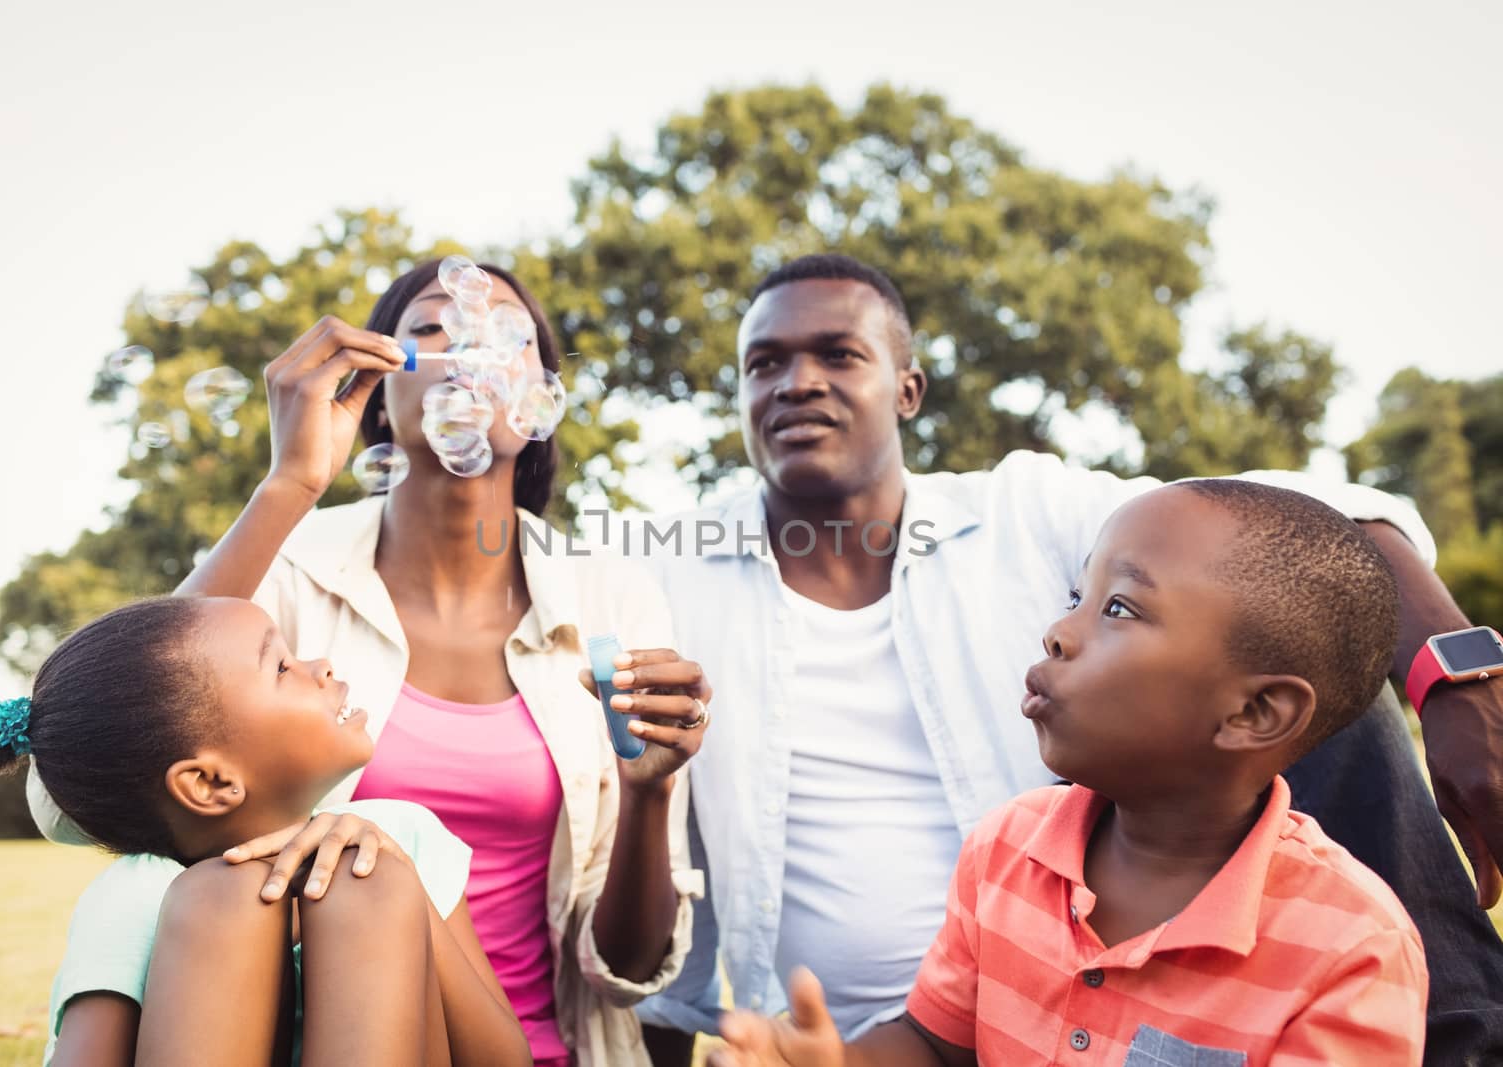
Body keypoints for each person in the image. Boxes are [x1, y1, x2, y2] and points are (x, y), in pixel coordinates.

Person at [633, 254, 1503, 1065]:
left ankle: (1468, 1034)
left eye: (837, 353)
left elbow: (1298, 528)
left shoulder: (1022, 509)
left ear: (908, 388)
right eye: (764, 363)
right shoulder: (670, 568)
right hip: (904, 1028)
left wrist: (1459, 680)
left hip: (1092, 975)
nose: (797, 382)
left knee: (1278, 639)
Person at [30, 261, 713, 1066]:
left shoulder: (611, 596)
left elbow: (629, 971)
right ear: (379, 390)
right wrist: (289, 484)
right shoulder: (287, 565)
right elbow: (67, 796)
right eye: (431, 326)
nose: (471, 346)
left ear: (540, 400)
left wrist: (651, 787)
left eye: (509, 335)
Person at [709, 481, 1430, 1066]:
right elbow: (936, 1043)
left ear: (1255, 712)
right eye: (1074, 597)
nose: (1059, 632)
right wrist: (839, 1061)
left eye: (1119, 606)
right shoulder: (1007, 847)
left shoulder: (1351, 952)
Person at [0, 595, 529, 1067]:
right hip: (207, 915)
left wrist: (405, 886)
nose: (319, 664)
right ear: (208, 783)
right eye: (281, 667)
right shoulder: (136, 896)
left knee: (366, 878)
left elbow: (504, 1059)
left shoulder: (399, 835)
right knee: (224, 895)